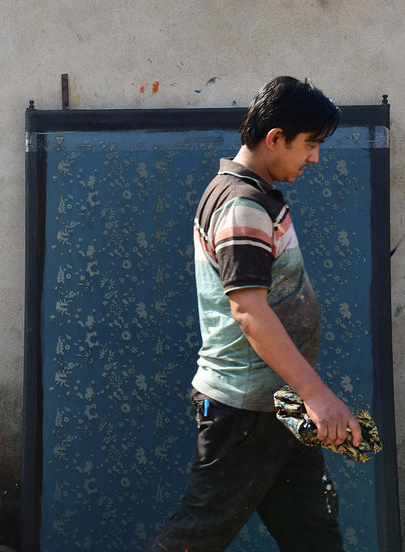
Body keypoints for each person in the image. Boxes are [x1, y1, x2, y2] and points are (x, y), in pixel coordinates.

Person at [144, 76, 362, 552]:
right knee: (194, 539)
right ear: (275, 138)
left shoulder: (251, 196)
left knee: (314, 537)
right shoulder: (242, 205)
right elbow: (249, 310)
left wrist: (306, 397)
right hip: (245, 411)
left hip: (277, 407)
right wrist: (317, 395)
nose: (315, 158)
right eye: (310, 144)